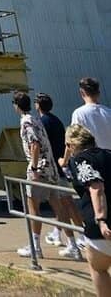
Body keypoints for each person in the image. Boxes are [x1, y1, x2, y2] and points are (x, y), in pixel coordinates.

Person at [13, 90, 61, 259]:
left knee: (34, 208)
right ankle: (73, 243)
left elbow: (34, 144)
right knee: (58, 206)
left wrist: (33, 168)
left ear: (16, 106)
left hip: (38, 169)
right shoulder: (36, 119)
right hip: (51, 168)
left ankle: (35, 246)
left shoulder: (26, 122)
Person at [35, 92, 83, 259]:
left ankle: (75, 241)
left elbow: (41, 145)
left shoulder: (42, 123)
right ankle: (65, 234)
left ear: (38, 105)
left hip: (52, 169)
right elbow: (66, 143)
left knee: (63, 204)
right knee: (66, 203)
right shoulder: (56, 120)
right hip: (60, 166)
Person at [66, 123, 111, 297]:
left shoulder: (79, 160)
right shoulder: (108, 154)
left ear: (71, 146)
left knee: (98, 269)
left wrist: (101, 218)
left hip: (101, 227)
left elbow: (96, 186)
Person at [72, 78, 111, 150]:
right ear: (98, 92)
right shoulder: (108, 112)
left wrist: (65, 160)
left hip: (92, 158)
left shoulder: (79, 113)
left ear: (82, 92)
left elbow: (74, 139)